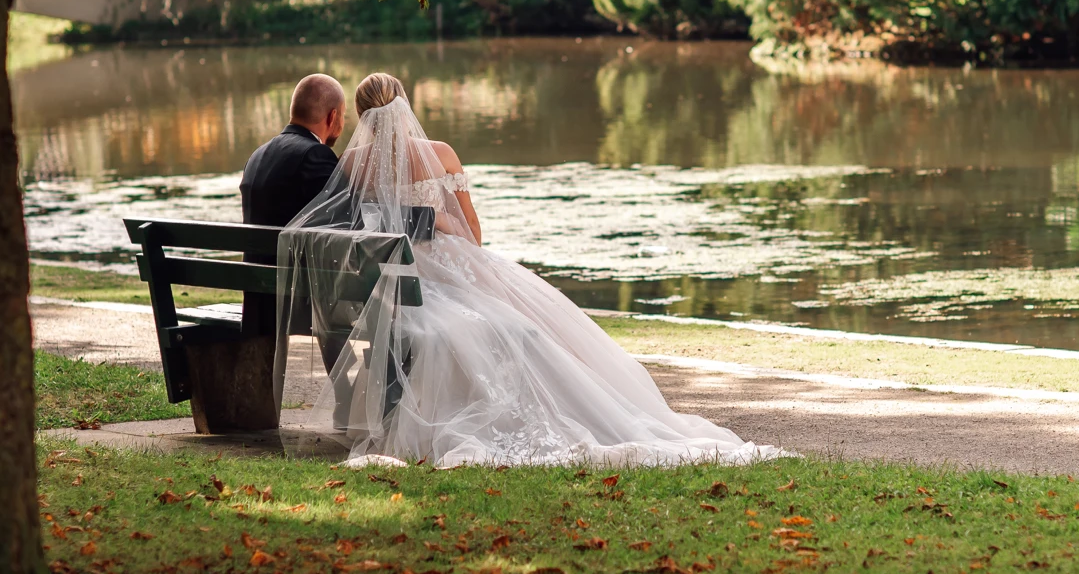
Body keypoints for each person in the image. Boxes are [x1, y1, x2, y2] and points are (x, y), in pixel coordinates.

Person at [275, 72, 789, 469]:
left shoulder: (353, 164)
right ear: (405, 106)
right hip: (449, 270)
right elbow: (473, 234)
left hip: (395, 281)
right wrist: (445, 228)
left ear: (360, 116)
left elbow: (351, 230)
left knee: (468, 326)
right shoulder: (440, 154)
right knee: (515, 321)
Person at [241, 73, 346, 226]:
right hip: (286, 251)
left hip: (255, 249)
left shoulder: (257, 155)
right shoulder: (314, 155)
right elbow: (343, 217)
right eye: (344, 115)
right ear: (332, 116)